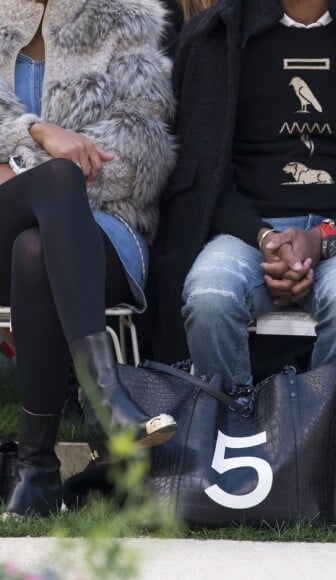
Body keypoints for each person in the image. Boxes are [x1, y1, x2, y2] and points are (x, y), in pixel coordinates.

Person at [152, 0, 336, 405]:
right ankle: (239, 443)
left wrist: (322, 238)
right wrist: (266, 237)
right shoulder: (213, 37)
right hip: (248, 234)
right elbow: (204, 182)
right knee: (209, 298)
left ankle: (314, 454)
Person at [0, 0, 177, 517]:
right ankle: (107, 400)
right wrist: (38, 135)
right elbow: (65, 167)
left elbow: (143, 150)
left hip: (103, 233)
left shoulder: (124, 18)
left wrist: (20, 169)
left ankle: (37, 474)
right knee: (57, 178)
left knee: (35, 248)